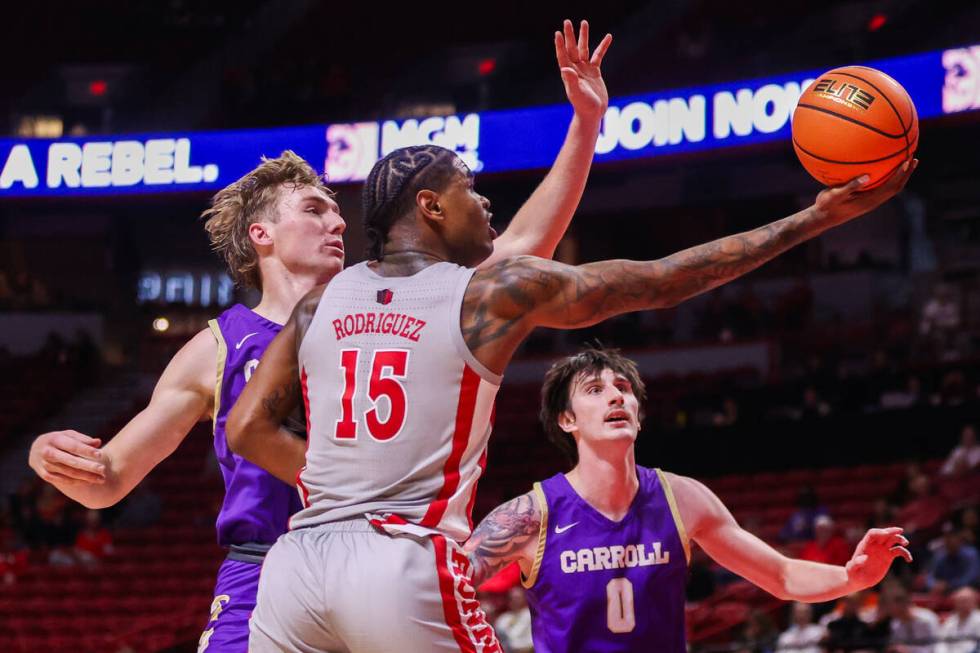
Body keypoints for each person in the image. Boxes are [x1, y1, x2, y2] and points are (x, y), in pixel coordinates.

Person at [229, 83, 917, 647]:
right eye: (470, 187)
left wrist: (341, 485)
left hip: (296, 569)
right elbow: (662, 279)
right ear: (430, 206)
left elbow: (245, 428)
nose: (486, 199)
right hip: (398, 557)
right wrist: (814, 220)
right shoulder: (487, 293)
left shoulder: (320, 303)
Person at [26, 17, 611, 650]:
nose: (337, 223)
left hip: (385, 563)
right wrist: (46, 457)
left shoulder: (397, 294)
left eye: (339, 212)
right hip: (264, 574)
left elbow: (525, 244)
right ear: (261, 235)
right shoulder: (216, 348)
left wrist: (585, 124)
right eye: (314, 210)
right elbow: (110, 475)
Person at [461, 349, 911, 652]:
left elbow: (781, 574)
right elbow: (444, 588)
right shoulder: (532, 514)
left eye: (623, 387)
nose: (616, 394)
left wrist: (852, 578)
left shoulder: (682, 498)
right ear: (566, 420)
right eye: (594, 390)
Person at [936, 587, 980, 653]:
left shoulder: (978, 619)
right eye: (960, 601)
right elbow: (941, 642)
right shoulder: (950, 621)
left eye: (965, 601)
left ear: (974, 602)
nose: (963, 604)